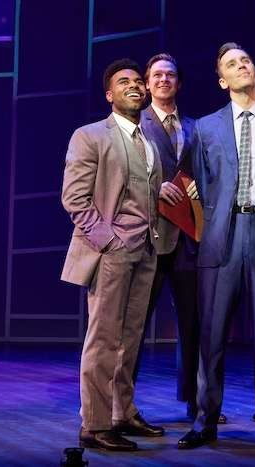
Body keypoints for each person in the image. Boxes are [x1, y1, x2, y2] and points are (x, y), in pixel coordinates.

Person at [177, 42, 255, 454]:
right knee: (211, 334)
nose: (242, 66)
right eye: (232, 64)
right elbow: (202, 183)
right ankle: (205, 421)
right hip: (222, 235)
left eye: (246, 60)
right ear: (222, 80)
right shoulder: (205, 128)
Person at [61, 59, 164, 451]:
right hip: (112, 251)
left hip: (146, 249)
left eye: (138, 81)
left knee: (130, 338)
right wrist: (109, 241)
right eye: (124, 82)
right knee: (104, 338)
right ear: (109, 94)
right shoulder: (90, 135)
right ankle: (95, 423)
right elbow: (75, 198)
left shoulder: (148, 140)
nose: (135, 85)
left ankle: (122, 412)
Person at [136, 52, 226, 425]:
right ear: (147, 83)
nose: (163, 80)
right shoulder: (136, 124)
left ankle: (197, 400)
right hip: (150, 235)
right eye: (157, 75)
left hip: (189, 238)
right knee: (136, 324)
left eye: (170, 75)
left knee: (195, 323)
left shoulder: (196, 127)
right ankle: (122, 403)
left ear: (179, 83)